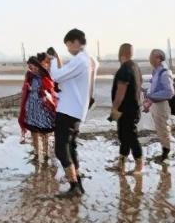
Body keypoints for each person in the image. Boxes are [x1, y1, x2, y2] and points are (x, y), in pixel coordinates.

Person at [48, 28, 98, 198]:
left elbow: (56, 76)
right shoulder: (90, 59)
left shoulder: (81, 60)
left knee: (61, 150)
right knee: (71, 147)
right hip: (76, 110)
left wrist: (54, 60)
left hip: (69, 110)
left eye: (69, 45)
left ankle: (74, 186)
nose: (68, 48)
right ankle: (78, 185)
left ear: (76, 42)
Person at [107, 43, 144, 175]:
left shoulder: (124, 69)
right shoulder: (136, 67)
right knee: (124, 136)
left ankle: (139, 163)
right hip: (134, 107)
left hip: (126, 110)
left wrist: (114, 108)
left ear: (120, 53)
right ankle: (121, 163)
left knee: (130, 136)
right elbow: (140, 85)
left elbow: (120, 92)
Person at [20, 53, 58, 165]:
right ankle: (37, 154)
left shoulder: (45, 76)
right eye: (29, 67)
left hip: (43, 107)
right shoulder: (29, 76)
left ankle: (46, 154)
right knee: (33, 131)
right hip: (31, 108)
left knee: (45, 131)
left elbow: (51, 89)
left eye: (32, 66)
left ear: (37, 65)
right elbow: (26, 89)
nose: (31, 69)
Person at [143, 49, 175, 162]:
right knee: (160, 129)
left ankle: (166, 154)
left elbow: (169, 92)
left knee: (163, 129)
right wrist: (147, 93)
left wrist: (152, 96)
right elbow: (155, 88)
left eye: (151, 56)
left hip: (161, 105)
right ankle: (165, 152)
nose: (149, 58)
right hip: (156, 104)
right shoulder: (156, 71)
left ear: (158, 58)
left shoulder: (164, 72)